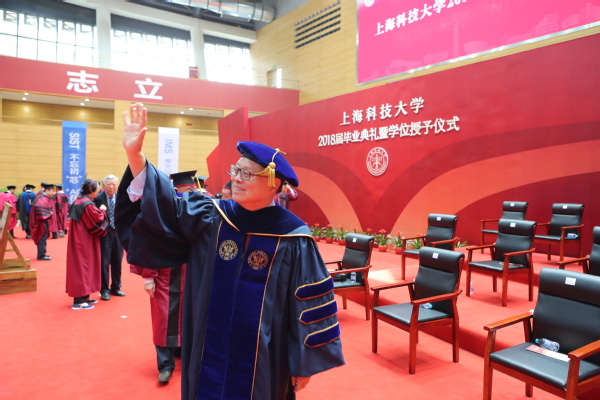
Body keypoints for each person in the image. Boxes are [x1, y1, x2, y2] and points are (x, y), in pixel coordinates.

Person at [116, 103, 344, 400]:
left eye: (246, 174)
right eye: (236, 170)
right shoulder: (211, 217)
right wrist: (135, 156)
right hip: (208, 348)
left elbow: (308, 305)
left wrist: (303, 364)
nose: (236, 178)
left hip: (265, 359)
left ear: (274, 183)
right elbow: (164, 204)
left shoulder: (294, 238)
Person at [131, 263, 186, 383]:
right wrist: (148, 278)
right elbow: (150, 251)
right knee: (163, 320)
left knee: (186, 316)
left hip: (188, 275)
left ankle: (180, 350)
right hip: (164, 277)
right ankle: (165, 365)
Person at [66, 179, 108, 310]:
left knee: (87, 266)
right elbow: (98, 218)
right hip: (83, 241)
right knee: (83, 266)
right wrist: (103, 210)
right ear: (91, 190)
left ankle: (85, 296)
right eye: (97, 188)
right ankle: (79, 301)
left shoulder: (80, 201)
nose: (99, 190)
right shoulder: (87, 204)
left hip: (81, 238)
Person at [94, 174, 125, 301]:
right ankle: (104, 289)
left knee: (117, 261)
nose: (111, 187)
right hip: (105, 233)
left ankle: (116, 287)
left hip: (118, 232)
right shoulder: (98, 198)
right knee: (104, 262)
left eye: (114, 184)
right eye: (109, 184)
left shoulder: (122, 197)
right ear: (103, 185)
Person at [30, 182, 56, 260]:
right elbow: (41, 213)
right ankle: (41, 255)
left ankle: (42, 253)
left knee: (43, 237)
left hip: (41, 221)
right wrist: (49, 213)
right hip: (40, 222)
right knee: (42, 237)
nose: (53, 193)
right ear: (47, 190)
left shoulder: (42, 197)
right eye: (52, 191)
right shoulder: (42, 198)